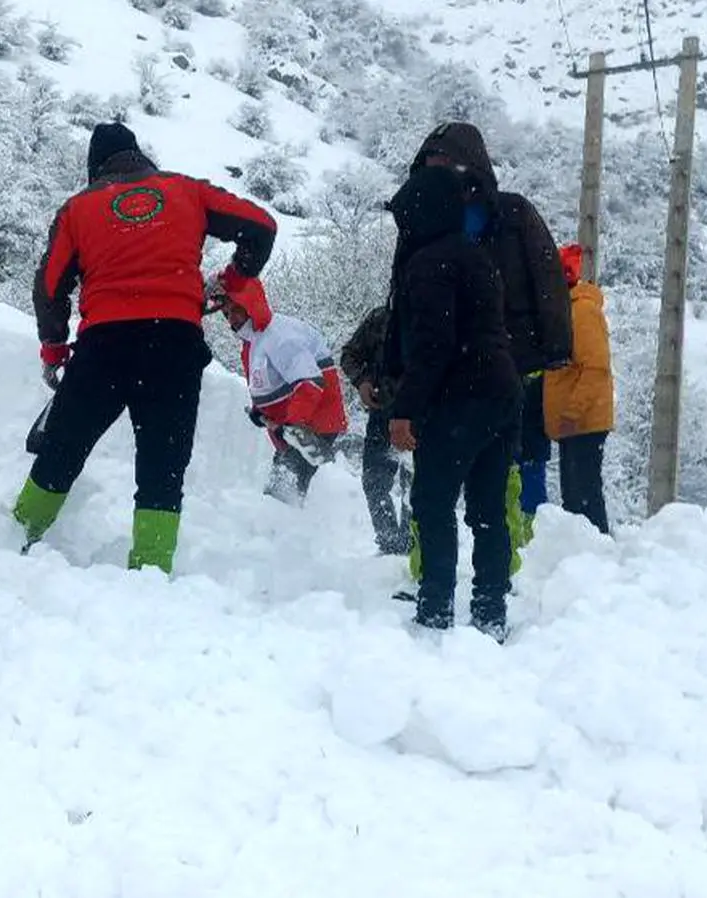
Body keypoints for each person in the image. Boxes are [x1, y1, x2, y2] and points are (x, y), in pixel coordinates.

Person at [13, 122, 277, 574]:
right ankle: (150, 570)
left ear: (95, 168)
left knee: (63, 448)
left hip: (104, 347)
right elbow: (261, 226)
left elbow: (50, 284)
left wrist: (54, 348)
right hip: (174, 346)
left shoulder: (79, 208)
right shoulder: (186, 191)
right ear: (140, 156)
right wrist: (235, 279)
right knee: (163, 464)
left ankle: (14, 536)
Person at [411, 122, 571, 557]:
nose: (438, 171)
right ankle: (430, 575)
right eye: (432, 162)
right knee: (432, 486)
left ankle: (503, 575)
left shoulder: (512, 213)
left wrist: (553, 347)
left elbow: (547, 276)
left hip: (507, 361)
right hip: (445, 365)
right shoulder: (424, 217)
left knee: (497, 483)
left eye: (446, 162)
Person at [384, 165, 522, 642]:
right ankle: (489, 611)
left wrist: (404, 408)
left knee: (432, 500)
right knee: (487, 508)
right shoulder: (477, 257)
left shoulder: (429, 263)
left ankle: (437, 608)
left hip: (459, 396)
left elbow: (432, 344)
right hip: (502, 391)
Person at [212, 273, 348, 504]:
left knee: (281, 498)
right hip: (292, 430)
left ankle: (291, 534)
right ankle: (294, 531)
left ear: (250, 304)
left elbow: (309, 382)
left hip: (311, 427)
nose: (231, 319)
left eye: (235, 310)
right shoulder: (254, 342)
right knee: (281, 494)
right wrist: (260, 411)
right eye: (226, 314)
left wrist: (294, 423)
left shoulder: (280, 336)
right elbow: (267, 382)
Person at [544, 244, 614, 534]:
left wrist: (573, 412)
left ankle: (596, 551)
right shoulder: (569, 309)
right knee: (574, 496)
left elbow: (595, 367)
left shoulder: (581, 311)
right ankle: (587, 552)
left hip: (583, 420)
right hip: (574, 421)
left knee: (583, 494)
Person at [339, 305, 411, 553]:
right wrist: (363, 381)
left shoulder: (439, 313)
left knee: (416, 487)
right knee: (374, 480)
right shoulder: (382, 317)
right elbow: (349, 355)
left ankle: (413, 544)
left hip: (423, 416)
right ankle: (389, 544)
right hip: (382, 412)